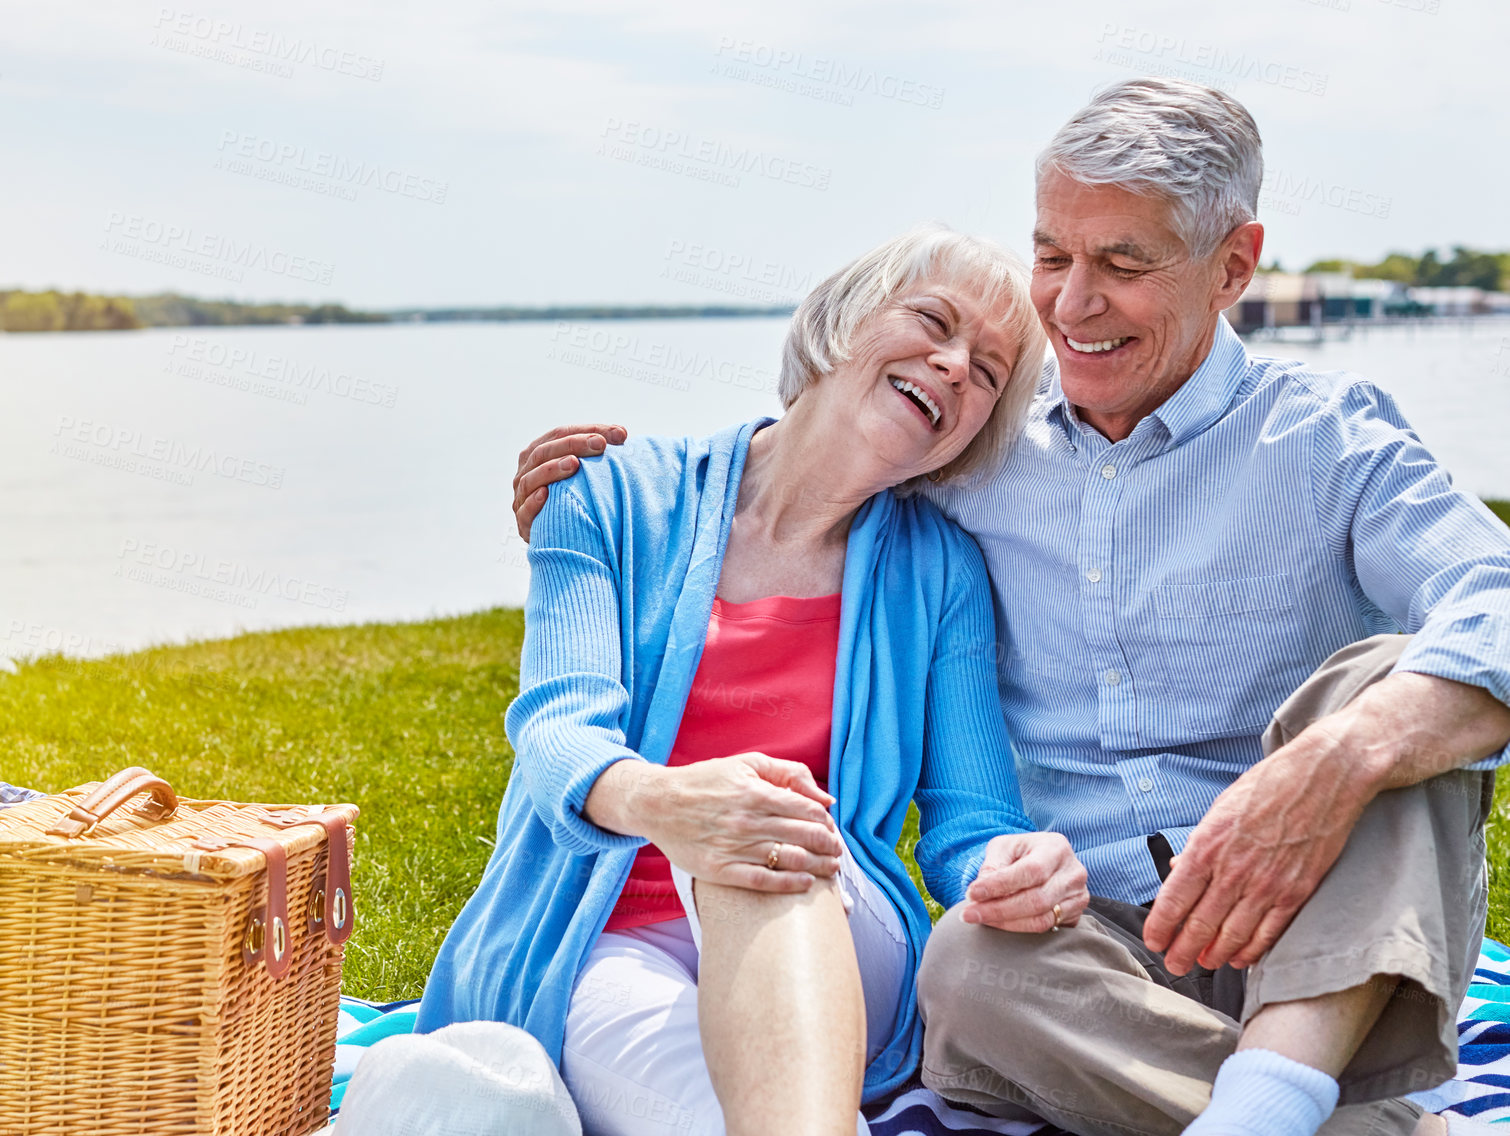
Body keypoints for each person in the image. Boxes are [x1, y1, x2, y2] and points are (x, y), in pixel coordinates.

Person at [511, 79, 1510, 1136]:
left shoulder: (1328, 442)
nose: (1073, 304)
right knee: (968, 963)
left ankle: (1274, 1091)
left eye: (1124, 263)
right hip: (1094, 953)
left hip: (1315, 922)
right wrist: (598, 512)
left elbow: (1496, 602)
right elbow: (824, 444)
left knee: (1401, 682)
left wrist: (1331, 760)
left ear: (1233, 265)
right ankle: (1327, 1120)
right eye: (1052, 255)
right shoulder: (974, 442)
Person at [416, 226, 1078, 1136]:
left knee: (767, 830)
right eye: (932, 320)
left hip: (836, 925)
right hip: (603, 937)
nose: (957, 365)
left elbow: (974, 820)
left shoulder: (943, 573)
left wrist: (1010, 869)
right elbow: (555, 732)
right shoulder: (604, 494)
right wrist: (671, 805)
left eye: (991, 371)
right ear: (842, 325)